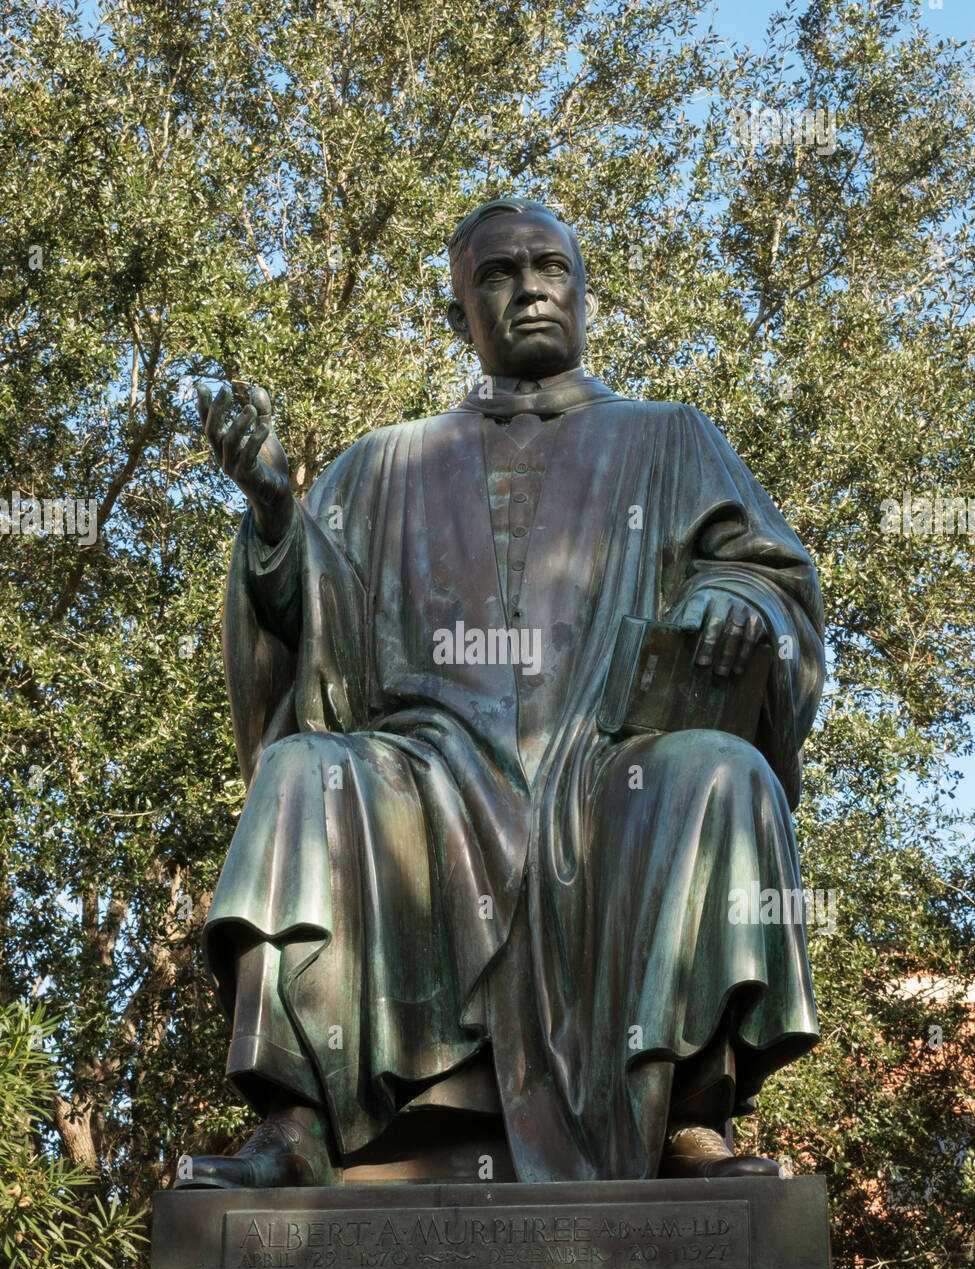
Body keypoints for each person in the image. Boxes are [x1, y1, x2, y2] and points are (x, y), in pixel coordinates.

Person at [178, 197, 824, 1189]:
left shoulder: (672, 439)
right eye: (497, 275)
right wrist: (274, 516)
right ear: (459, 316)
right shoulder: (382, 464)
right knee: (307, 772)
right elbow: (318, 635)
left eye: (549, 268)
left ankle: (688, 1113)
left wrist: (738, 600)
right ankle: (299, 1121)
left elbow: (773, 577)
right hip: (427, 778)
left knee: (721, 775)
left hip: (610, 774)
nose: (528, 289)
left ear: (582, 292)